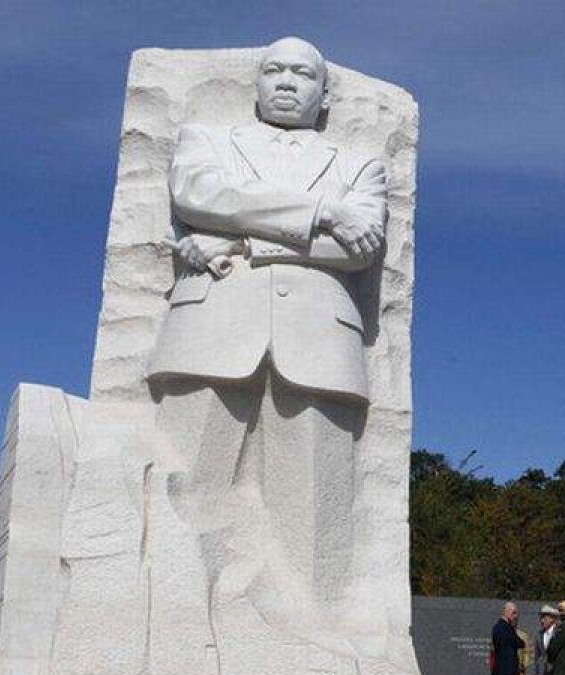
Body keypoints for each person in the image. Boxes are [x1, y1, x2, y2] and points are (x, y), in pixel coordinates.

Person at [143, 35, 388, 670]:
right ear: (254, 84)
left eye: (302, 74)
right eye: (273, 70)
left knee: (313, 514)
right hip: (210, 332)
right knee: (182, 489)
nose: (286, 81)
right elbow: (199, 196)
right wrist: (321, 211)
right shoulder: (207, 140)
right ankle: (170, 633)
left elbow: (358, 250)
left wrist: (247, 244)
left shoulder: (361, 164)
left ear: (325, 92)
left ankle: (307, 643)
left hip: (319, 342)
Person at [491, 602, 525, 675]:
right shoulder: (506, 628)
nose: (515, 616)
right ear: (505, 612)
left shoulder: (498, 627)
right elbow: (519, 643)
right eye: (513, 613)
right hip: (507, 670)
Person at [534, 605, 560, 675]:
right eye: (541, 618)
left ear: (551, 619)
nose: (541, 621)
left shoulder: (560, 633)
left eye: (544, 618)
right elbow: (537, 656)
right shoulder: (539, 635)